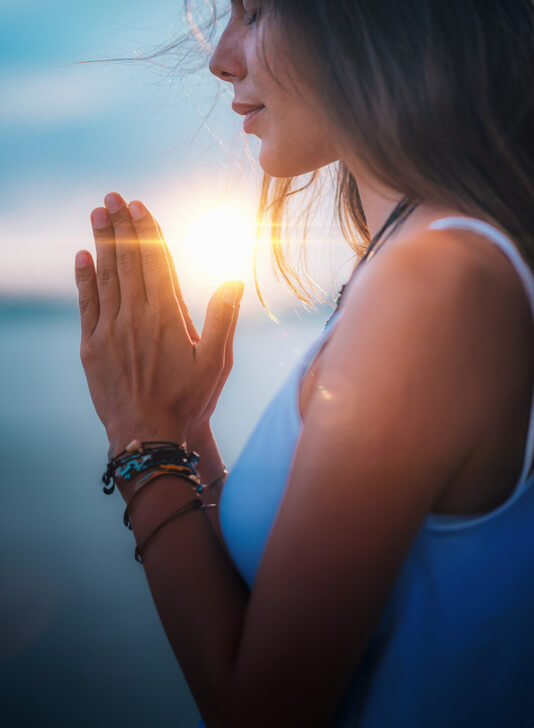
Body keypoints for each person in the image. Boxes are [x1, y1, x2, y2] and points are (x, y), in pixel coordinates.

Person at [74, 1, 534, 726]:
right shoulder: (409, 260)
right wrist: (185, 429)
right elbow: (273, 600)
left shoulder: (438, 279)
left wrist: (142, 443)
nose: (220, 56)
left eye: (255, 12)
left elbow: (258, 710)